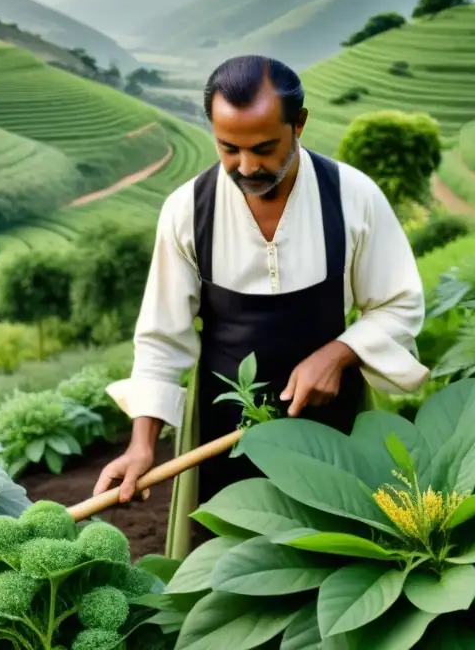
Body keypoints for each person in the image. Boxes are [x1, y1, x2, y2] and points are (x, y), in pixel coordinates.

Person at [93, 54, 429, 557]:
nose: (247, 167)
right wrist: (142, 444)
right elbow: (163, 338)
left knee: (345, 553)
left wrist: (338, 354)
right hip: (224, 432)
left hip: (334, 423)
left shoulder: (352, 196)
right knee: (231, 563)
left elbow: (398, 305)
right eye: (229, 148)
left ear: (299, 124)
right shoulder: (187, 211)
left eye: (265, 148)